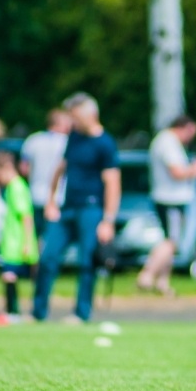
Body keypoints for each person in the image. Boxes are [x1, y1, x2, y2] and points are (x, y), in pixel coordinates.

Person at [32, 92, 120, 324]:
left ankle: (82, 313)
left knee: (86, 262)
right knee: (48, 256)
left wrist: (108, 221)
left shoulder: (105, 144)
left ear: (90, 115)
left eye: (75, 116)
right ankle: (37, 312)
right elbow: (60, 168)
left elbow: (112, 183)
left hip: (92, 210)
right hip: (67, 208)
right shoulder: (74, 137)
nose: (72, 121)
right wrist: (51, 201)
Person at [136, 115, 196, 295]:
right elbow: (177, 172)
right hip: (171, 199)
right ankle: (147, 275)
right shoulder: (168, 142)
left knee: (169, 240)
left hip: (167, 197)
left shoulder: (164, 141)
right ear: (184, 128)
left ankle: (163, 283)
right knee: (172, 241)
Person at [0, 151, 39, 316]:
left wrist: (26, 243)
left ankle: (13, 312)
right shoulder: (12, 187)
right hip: (11, 242)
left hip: (17, 243)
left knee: (9, 275)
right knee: (10, 275)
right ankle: (13, 311)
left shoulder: (17, 187)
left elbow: (26, 217)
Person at [19, 109, 72, 239]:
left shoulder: (33, 140)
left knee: (34, 237)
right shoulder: (67, 143)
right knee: (53, 239)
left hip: (35, 195)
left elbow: (24, 169)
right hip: (59, 198)